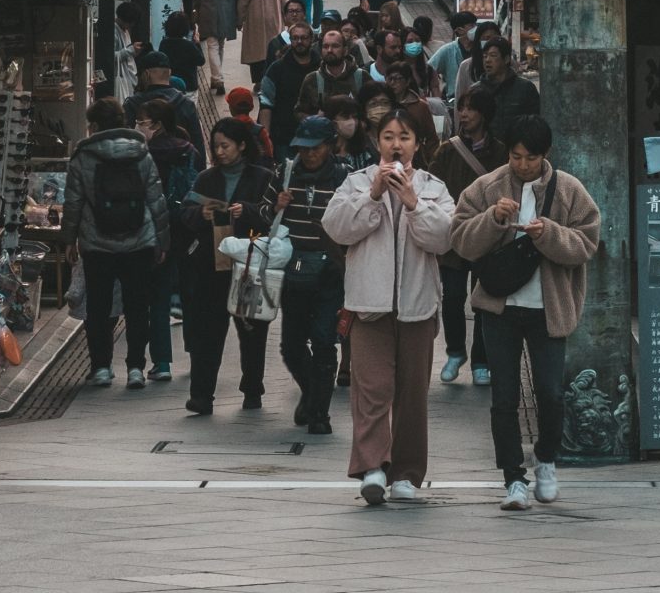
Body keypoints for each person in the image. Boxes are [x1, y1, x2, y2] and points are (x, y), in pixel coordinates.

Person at [448, 114, 602, 510]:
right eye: (516, 157)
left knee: (550, 393)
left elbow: (587, 243)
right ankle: (513, 478)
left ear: (544, 155)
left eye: (530, 158)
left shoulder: (569, 190)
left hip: (548, 309)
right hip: (499, 308)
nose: (522, 165)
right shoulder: (486, 188)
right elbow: (461, 241)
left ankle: (546, 460)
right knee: (504, 397)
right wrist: (493, 218)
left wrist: (547, 233)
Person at [323, 102, 454, 504]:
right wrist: (374, 197)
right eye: (389, 137)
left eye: (405, 137)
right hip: (368, 304)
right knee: (372, 389)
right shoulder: (357, 182)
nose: (397, 145)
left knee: (412, 393)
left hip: (418, 305)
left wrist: (414, 203)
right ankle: (373, 467)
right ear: (377, 141)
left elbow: (444, 238)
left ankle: (407, 474)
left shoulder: (433, 187)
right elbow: (336, 228)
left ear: (418, 143)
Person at [62, 96, 170, 388]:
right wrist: (162, 241)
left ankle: (101, 367)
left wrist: (69, 239)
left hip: (98, 244)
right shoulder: (142, 153)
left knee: (98, 307)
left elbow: (73, 202)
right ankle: (135, 367)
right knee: (138, 307)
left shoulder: (83, 156)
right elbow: (156, 200)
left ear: (95, 125)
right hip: (139, 241)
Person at [179, 116, 275, 416]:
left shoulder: (262, 177)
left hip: (249, 263)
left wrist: (247, 210)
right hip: (211, 264)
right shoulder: (206, 178)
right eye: (216, 146)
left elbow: (273, 215)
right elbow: (185, 212)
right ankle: (201, 394)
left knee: (251, 329)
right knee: (207, 332)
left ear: (242, 145)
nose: (219, 152)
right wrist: (201, 214)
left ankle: (252, 387)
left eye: (226, 146)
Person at [273, 114, 351, 436]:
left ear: (330, 146)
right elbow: (263, 215)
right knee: (291, 345)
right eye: (303, 148)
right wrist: (276, 205)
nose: (308, 154)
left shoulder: (345, 178)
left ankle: (320, 412)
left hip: (330, 273)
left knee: (322, 341)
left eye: (315, 148)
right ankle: (310, 391)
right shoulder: (285, 173)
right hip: (293, 270)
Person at [431, 93, 498, 386]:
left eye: (471, 109)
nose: (465, 114)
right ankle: (455, 352)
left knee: (483, 300)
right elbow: (432, 187)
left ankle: (482, 360)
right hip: (455, 235)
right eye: (462, 109)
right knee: (453, 297)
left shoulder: (501, 152)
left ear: (485, 114)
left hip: (487, 237)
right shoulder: (447, 151)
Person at [132, 101, 195, 383]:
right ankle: (193, 353)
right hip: (184, 229)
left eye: (141, 121)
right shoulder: (188, 150)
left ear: (156, 125)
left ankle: (160, 361)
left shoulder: (143, 155)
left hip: (151, 232)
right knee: (187, 293)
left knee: (153, 299)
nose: (137, 126)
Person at [258, 12, 322, 146]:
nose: (299, 42)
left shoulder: (321, 67)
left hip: (316, 135)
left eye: (304, 38)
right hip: (283, 136)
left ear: (311, 40)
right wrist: (265, 137)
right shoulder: (276, 69)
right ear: (290, 40)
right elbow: (266, 102)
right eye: (295, 38)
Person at [236, 0, 290, 88]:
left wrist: (239, 20)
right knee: (273, 48)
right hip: (274, 17)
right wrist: (288, 18)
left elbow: (243, 3)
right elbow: (285, 0)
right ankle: (272, 77)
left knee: (256, 50)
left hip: (255, 19)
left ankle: (259, 80)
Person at [474, 34, 542, 147]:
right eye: (485, 56)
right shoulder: (476, 90)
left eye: (493, 55)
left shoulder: (525, 89)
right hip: (484, 154)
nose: (487, 60)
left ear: (506, 59)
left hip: (516, 152)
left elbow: (535, 124)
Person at [295, 18, 367, 123]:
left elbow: (372, 110)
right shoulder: (312, 79)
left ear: (345, 50)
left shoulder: (361, 77)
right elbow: (299, 112)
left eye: (335, 46)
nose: (329, 50)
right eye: (325, 46)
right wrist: (315, 120)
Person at [431, 11, 475, 101]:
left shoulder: (481, 48)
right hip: (455, 99)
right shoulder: (448, 50)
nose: (475, 28)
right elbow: (429, 69)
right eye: (471, 25)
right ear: (459, 30)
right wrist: (436, 90)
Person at [159, 9, 204, 90]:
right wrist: (197, 43)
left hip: (170, 86)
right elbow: (201, 61)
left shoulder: (164, 43)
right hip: (189, 86)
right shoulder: (189, 45)